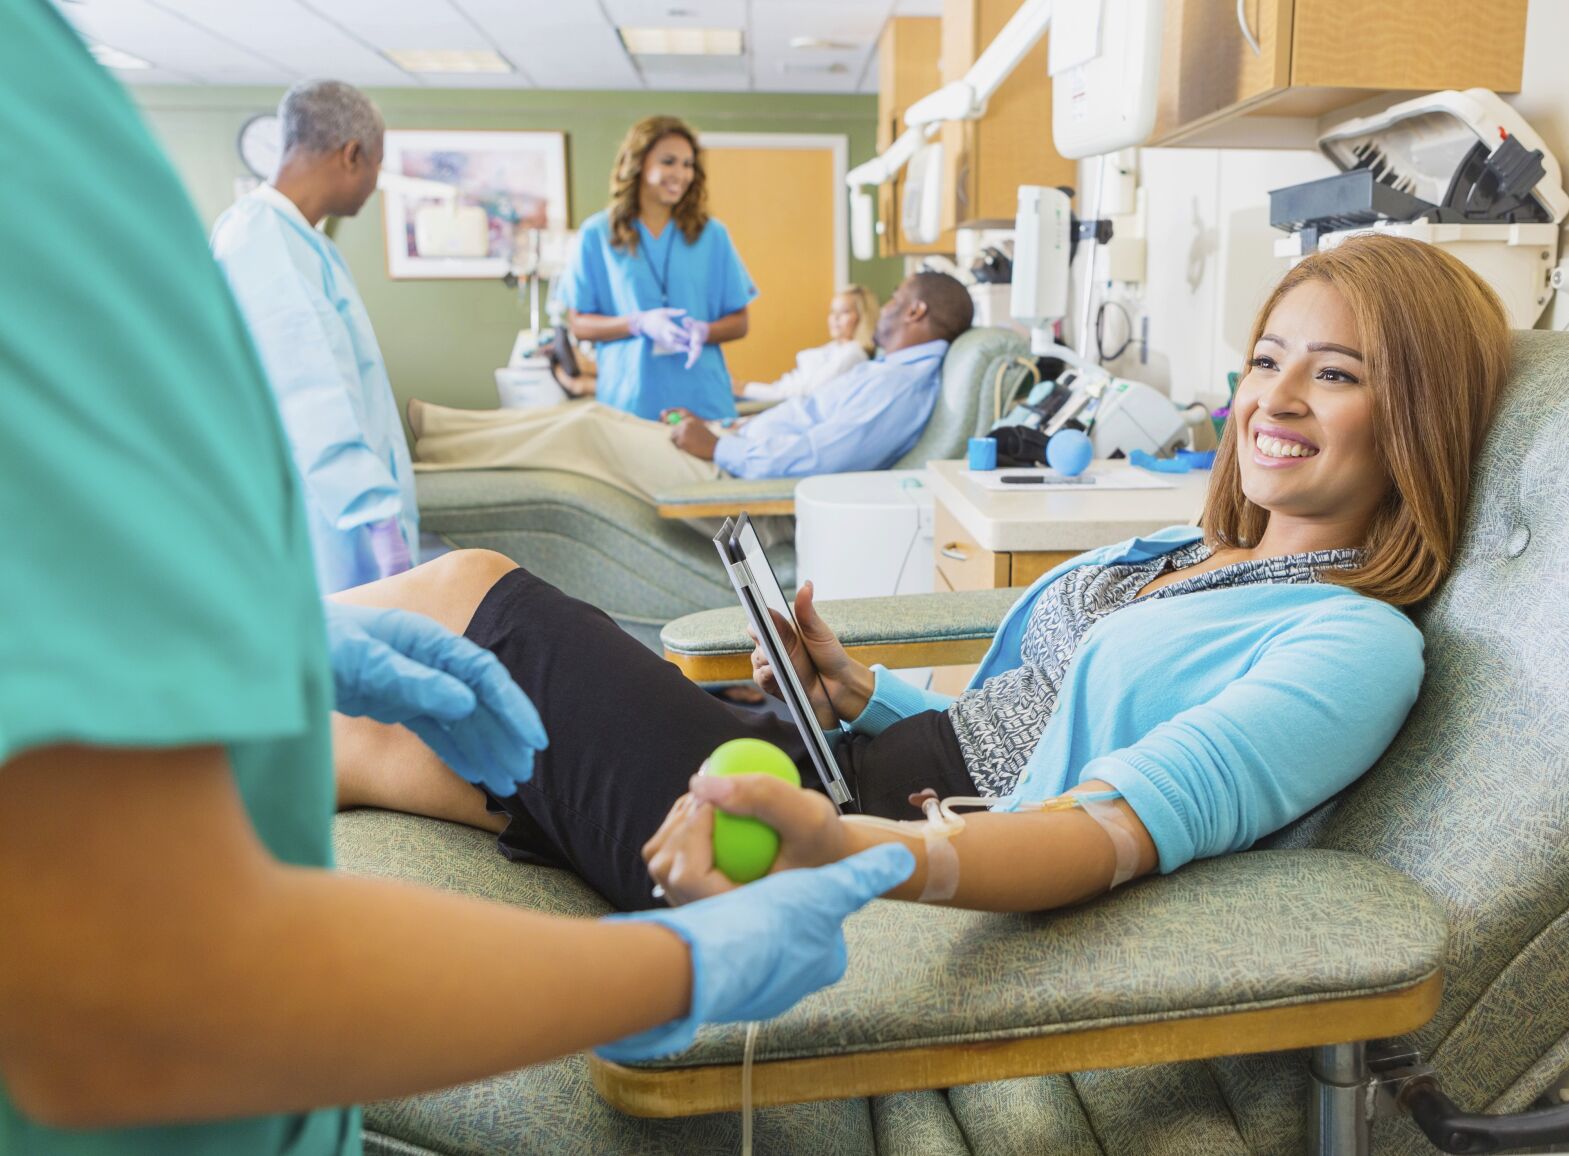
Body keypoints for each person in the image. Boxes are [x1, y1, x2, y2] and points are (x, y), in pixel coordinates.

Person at [0, 7, 912, 1152]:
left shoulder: (44, 85)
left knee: (436, 670)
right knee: (474, 612)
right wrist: (663, 971)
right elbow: (128, 979)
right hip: (168, 1091)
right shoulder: (48, 129)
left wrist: (288, 644)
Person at [331, 233, 1513, 913]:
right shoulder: (1194, 553)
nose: (1274, 399)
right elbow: (1014, 723)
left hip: (847, 848)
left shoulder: (1352, 640)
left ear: (1417, 413)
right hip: (835, 769)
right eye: (1265, 360)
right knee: (380, 743)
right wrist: (862, 690)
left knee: (465, 589)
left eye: (1335, 374)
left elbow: (1104, 833)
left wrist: (841, 852)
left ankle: (214, 647)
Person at [406, 272, 972, 503]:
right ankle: (437, 431)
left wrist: (718, 446)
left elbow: (822, 457)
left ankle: (429, 465)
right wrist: (736, 426)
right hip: (738, 448)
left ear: (916, 311)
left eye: (896, 299)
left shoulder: (902, 386)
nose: (887, 308)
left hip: (736, 477)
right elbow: (809, 426)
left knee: (585, 429)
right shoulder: (886, 372)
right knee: (601, 416)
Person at [210, 79, 418, 595]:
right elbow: (310, 393)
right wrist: (376, 514)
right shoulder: (262, 241)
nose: (375, 182)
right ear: (352, 155)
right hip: (327, 520)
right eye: (376, 164)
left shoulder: (300, 241)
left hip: (336, 514)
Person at [559, 115, 756, 421]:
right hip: (630, 400)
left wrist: (704, 331)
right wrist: (637, 323)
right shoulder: (598, 234)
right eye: (668, 162)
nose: (681, 173)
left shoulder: (711, 235)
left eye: (688, 165)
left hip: (703, 399)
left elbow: (740, 322)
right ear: (638, 163)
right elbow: (579, 324)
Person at [737, 285, 879, 402]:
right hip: (780, 397)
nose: (835, 318)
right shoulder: (834, 348)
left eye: (844, 312)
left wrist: (746, 389)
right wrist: (746, 388)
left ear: (862, 316)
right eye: (832, 312)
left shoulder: (853, 354)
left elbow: (807, 394)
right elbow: (791, 386)